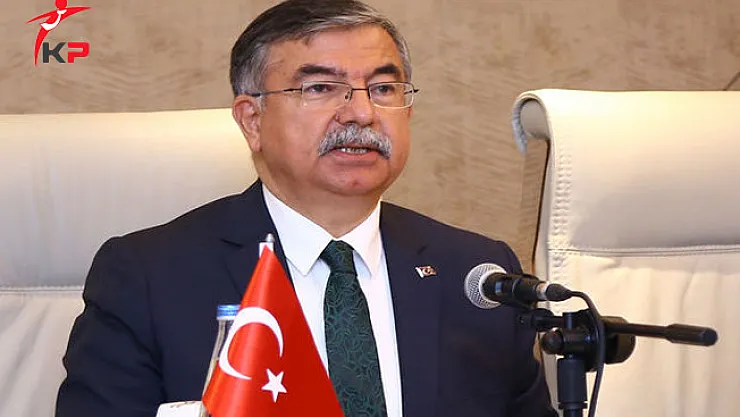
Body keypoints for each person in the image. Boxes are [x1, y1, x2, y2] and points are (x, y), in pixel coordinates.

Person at [55, 0, 557, 416]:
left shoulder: (476, 274)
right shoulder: (148, 277)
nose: (361, 113)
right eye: (320, 88)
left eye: (383, 88)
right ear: (252, 120)